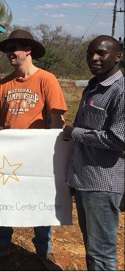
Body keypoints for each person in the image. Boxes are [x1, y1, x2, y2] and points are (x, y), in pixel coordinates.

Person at [0, 29, 67, 271]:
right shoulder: (3, 85)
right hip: (8, 156)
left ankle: (44, 249)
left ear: (28, 50)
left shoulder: (47, 79)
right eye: (7, 49)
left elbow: (57, 119)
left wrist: (52, 151)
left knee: (39, 200)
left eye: (14, 48)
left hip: (38, 156)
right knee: (4, 199)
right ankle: (2, 245)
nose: (9, 53)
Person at [63, 35, 124, 271]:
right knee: (92, 247)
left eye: (101, 53)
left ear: (118, 56)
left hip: (103, 183)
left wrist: (75, 132)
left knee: (102, 253)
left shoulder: (120, 91)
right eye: (90, 53)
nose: (94, 58)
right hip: (84, 180)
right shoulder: (92, 87)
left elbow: (119, 138)